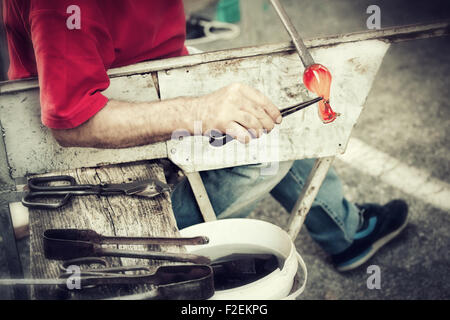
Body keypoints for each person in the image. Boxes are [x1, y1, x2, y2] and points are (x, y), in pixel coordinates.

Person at [3, 0, 408, 272]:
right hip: (99, 128)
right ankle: (156, 247)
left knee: (259, 103)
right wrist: (199, 111)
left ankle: (346, 232)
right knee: (265, 149)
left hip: (155, 70)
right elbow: (74, 123)